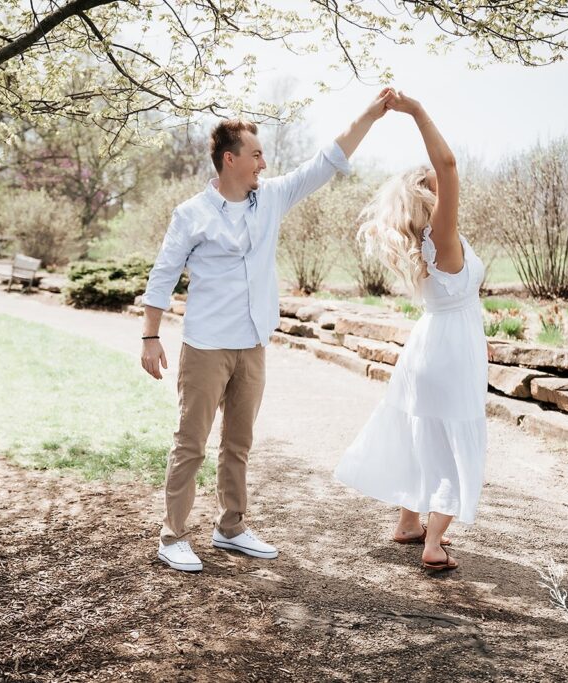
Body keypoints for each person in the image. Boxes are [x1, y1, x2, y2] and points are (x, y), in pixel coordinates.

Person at [141, 89, 395, 572]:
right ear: (230, 159)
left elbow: (326, 161)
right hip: (206, 347)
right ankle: (173, 536)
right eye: (256, 153)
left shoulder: (271, 197)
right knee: (191, 443)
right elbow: (162, 274)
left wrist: (370, 115)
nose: (264, 161)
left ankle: (230, 527)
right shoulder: (191, 214)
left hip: (252, 344)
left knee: (238, 444)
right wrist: (150, 337)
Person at [334, 90, 488, 572]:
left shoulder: (423, 245)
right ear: (429, 193)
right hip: (451, 349)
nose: (443, 187)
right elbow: (448, 162)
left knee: (419, 429)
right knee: (450, 438)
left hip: (426, 345)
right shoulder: (442, 236)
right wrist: (418, 111)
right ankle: (434, 542)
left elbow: (441, 169)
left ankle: (407, 523)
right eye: (434, 183)